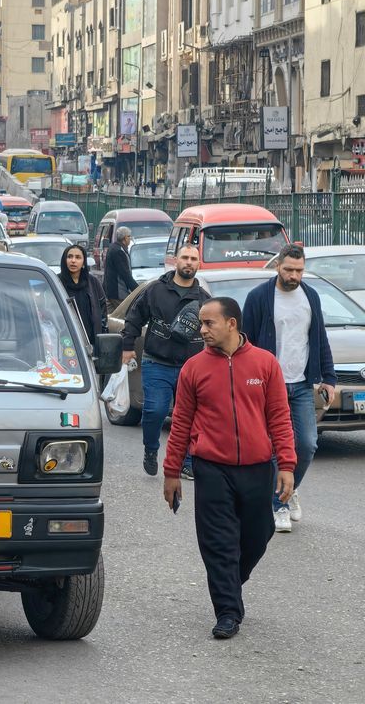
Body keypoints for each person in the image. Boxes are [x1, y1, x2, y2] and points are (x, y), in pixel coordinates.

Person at [163, 298, 296, 640]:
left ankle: (230, 583)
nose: (202, 330)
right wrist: (172, 472)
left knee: (258, 535)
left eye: (209, 323)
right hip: (211, 468)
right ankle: (227, 611)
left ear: (232, 324)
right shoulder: (193, 368)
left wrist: (287, 465)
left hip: (257, 468)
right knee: (218, 543)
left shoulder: (265, 364)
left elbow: (280, 417)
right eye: (201, 324)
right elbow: (180, 423)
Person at [242, 243, 336, 532]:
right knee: (273, 449)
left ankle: (289, 487)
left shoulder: (310, 296)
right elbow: (246, 342)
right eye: (289, 269)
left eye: (299, 270)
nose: (294, 275)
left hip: (301, 385)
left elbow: (319, 337)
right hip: (270, 386)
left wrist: (329, 378)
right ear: (278, 267)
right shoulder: (259, 297)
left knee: (307, 445)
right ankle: (278, 505)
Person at [122, 245, 210, 478]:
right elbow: (134, 317)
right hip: (156, 362)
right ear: (175, 261)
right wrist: (127, 346)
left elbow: (218, 331)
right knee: (155, 410)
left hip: (191, 367)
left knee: (192, 416)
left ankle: (188, 461)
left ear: (199, 264)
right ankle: (151, 450)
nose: (189, 262)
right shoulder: (156, 290)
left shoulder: (204, 300)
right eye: (185, 258)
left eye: (193, 259)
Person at [58, 244, 107, 348]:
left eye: (78, 257)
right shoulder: (57, 282)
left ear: (84, 262)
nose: (73, 260)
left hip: (91, 342)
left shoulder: (93, 282)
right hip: (65, 341)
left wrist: (103, 338)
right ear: (64, 260)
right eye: (70, 257)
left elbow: (102, 312)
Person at [103, 226, 138, 313]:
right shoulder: (119, 251)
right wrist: (137, 289)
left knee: (109, 317)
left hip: (110, 291)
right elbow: (125, 274)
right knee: (127, 315)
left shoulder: (113, 247)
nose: (130, 239)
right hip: (118, 293)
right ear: (125, 238)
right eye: (129, 236)